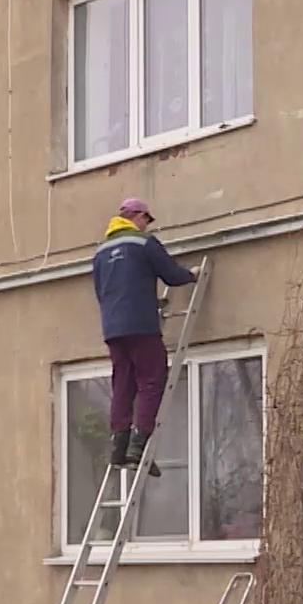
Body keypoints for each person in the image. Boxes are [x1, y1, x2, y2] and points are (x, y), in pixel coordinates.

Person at [91, 197, 198, 475]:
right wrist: (192, 275)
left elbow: (102, 290)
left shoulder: (100, 252)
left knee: (123, 383)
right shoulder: (143, 243)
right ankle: (139, 446)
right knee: (152, 379)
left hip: (113, 328)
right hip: (140, 324)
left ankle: (119, 447)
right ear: (136, 216)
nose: (146, 225)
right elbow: (171, 275)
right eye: (146, 220)